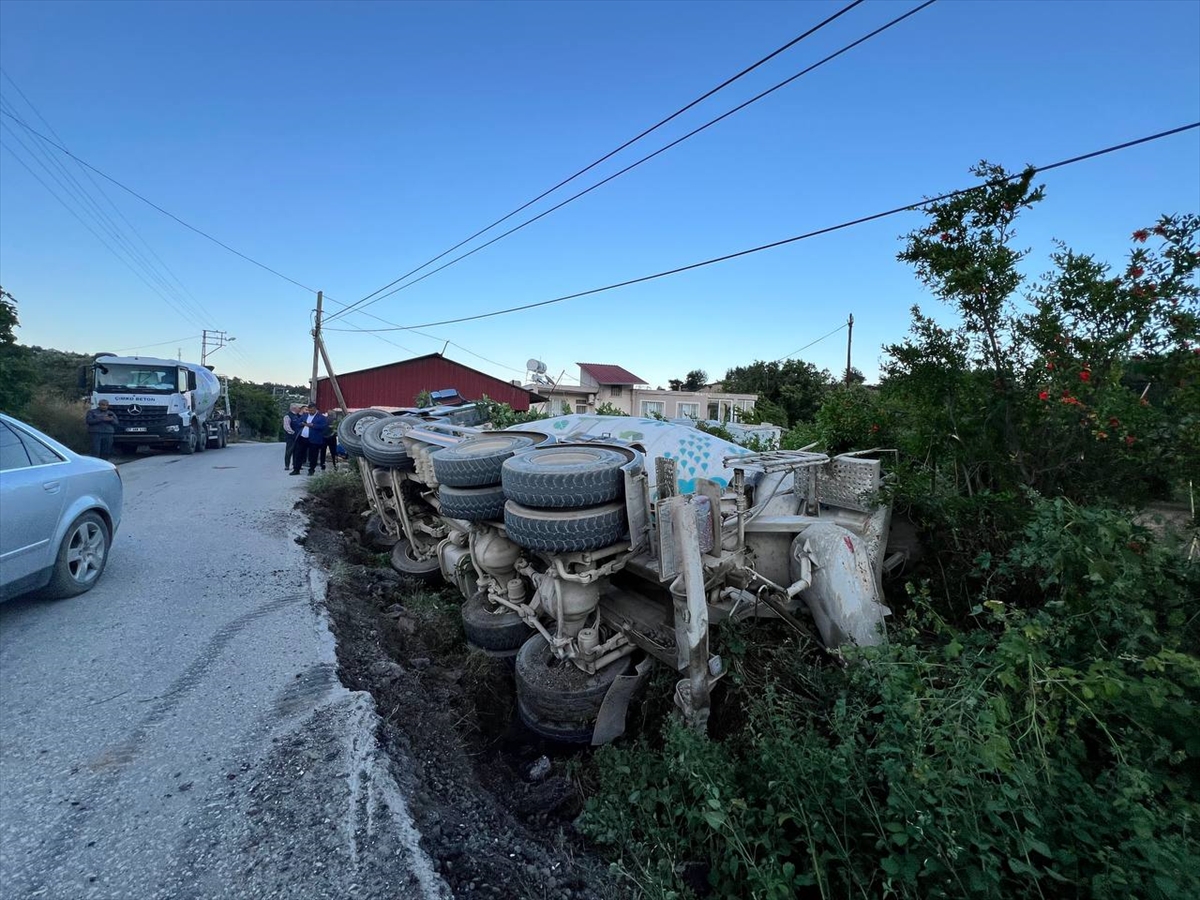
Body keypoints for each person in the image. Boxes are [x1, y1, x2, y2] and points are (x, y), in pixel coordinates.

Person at [291, 405, 328, 476]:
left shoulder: (321, 417)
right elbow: (298, 423)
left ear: (316, 409)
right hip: (302, 437)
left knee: (313, 455)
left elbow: (323, 427)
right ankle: (296, 469)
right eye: (309, 410)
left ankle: (311, 470)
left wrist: (313, 425)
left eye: (312, 410)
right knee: (299, 454)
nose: (310, 412)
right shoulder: (305, 415)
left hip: (314, 439)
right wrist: (301, 423)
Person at [282, 403, 302, 471]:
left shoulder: (297, 416)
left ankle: (295, 465)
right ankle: (287, 465)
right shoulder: (287, 416)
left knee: (297, 452)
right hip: (290, 437)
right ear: (293, 408)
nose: (299, 409)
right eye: (297, 408)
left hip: (298, 437)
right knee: (289, 451)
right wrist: (293, 433)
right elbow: (286, 427)